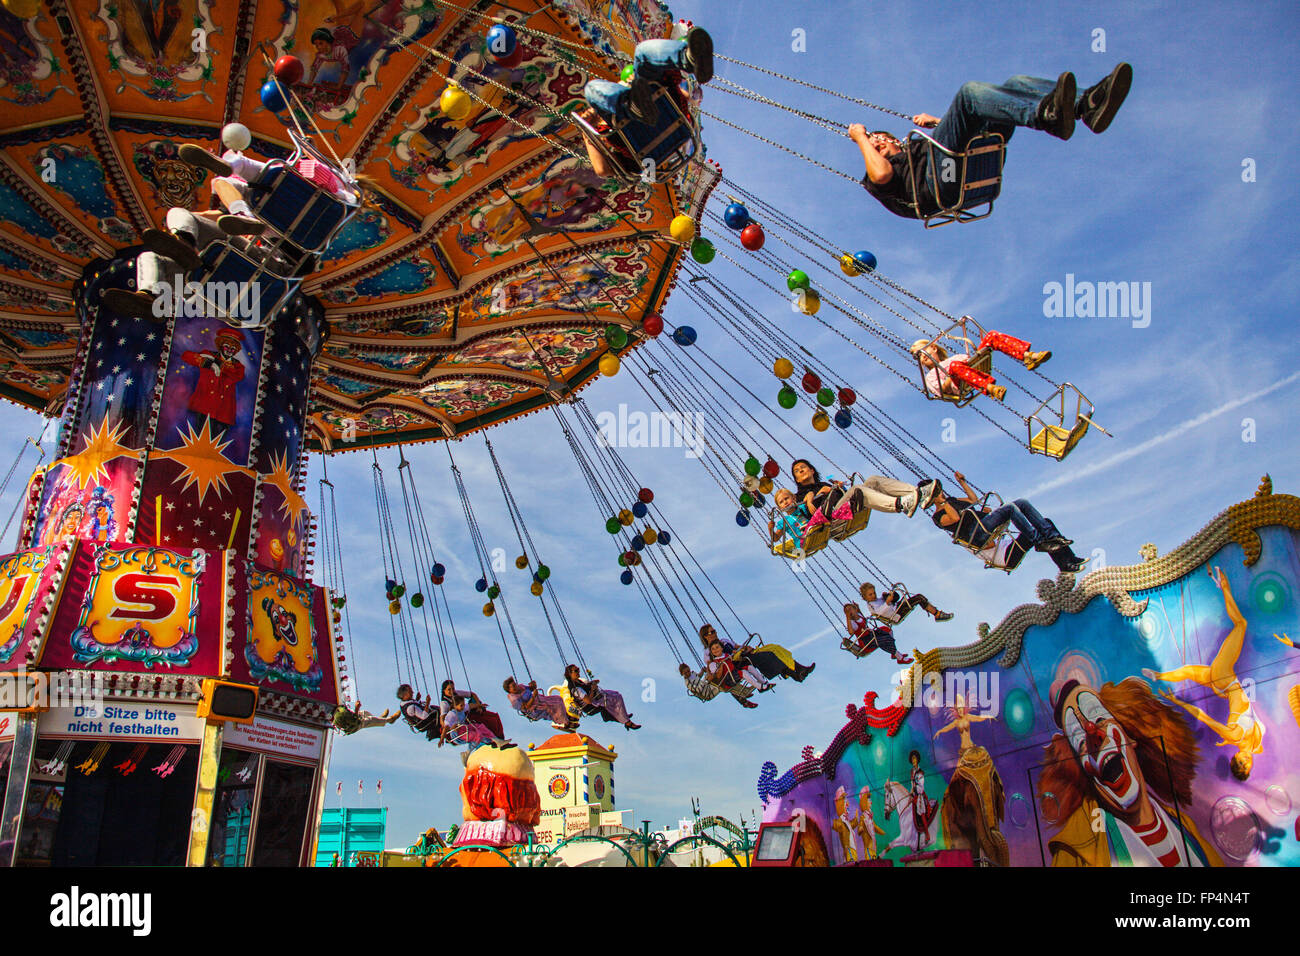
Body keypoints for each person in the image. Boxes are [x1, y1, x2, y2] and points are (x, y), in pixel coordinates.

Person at [849, 64, 1133, 220]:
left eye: (880, 140)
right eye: (873, 147)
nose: (877, 145)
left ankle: (1087, 104)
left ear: (895, 140)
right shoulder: (882, 176)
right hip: (943, 182)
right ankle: (1046, 115)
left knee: (1017, 82)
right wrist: (861, 137)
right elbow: (882, 172)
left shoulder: (920, 148)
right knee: (969, 93)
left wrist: (938, 123)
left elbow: (958, 131)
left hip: (964, 160)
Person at [1142, 566, 1264, 781]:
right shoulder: (1254, 745)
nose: (1246, 759)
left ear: (1235, 758)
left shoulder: (1234, 736)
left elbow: (1203, 717)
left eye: (1241, 762)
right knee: (1189, 672)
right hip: (1223, 685)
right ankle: (1158, 676)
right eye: (1247, 765)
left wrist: (1178, 703)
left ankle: (1223, 586)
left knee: (1241, 624)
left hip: (1224, 680)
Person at [577, 27, 712, 178]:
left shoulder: (610, 131)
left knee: (592, 89)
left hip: (644, 136)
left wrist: (587, 129)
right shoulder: (664, 88)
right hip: (673, 124)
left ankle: (631, 104)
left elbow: (603, 170)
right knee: (642, 52)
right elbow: (685, 96)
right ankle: (686, 58)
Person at [929, 471, 1086, 573]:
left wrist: (962, 482)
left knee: (1031, 510)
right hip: (984, 541)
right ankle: (1039, 542)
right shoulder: (938, 516)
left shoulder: (951, 501)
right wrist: (941, 502)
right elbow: (955, 518)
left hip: (991, 532)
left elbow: (973, 500)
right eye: (937, 492)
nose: (941, 493)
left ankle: (1067, 561)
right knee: (1010, 509)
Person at [910, 333, 1050, 404]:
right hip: (960, 385)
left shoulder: (955, 358)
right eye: (918, 356)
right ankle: (991, 389)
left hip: (974, 368)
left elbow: (969, 359)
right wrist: (950, 375)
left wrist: (964, 363)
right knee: (954, 367)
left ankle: (1028, 356)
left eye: (923, 351)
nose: (922, 356)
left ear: (933, 347)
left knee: (992, 336)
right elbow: (942, 391)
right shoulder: (930, 377)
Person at [791, 458, 940, 521]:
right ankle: (901, 504)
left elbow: (836, 494)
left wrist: (837, 488)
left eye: (803, 467)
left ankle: (917, 494)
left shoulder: (824, 483)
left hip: (841, 504)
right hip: (831, 515)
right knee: (858, 490)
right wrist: (817, 494)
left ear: (811, 470)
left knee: (873, 480)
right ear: (797, 479)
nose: (801, 470)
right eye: (797, 471)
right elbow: (805, 500)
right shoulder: (800, 494)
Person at [698, 623, 813, 682]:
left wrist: (745, 647)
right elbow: (711, 667)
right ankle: (796, 672)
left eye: (714, 630)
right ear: (706, 636)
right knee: (768, 656)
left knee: (774, 647)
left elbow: (738, 646)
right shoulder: (708, 651)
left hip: (743, 653)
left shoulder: (724, 640)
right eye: (711, 632)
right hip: (736, 661)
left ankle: (798, 670)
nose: (714, 632)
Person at [564, 664, 641, 730]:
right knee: (614, 699)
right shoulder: (576, 688)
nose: (578, 671)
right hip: (591, 705)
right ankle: (627, 722)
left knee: (616, 694)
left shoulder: (577, 681)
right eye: (576, 670)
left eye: (578, 669)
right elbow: (588, 701)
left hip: (595, 697)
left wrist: (591, 683)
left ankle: (622, 715)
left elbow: (585, 687)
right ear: (570, 674)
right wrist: (592, 689)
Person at [843, 602, 913, 665]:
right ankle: (900, 658)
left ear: (854, 609)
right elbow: (851, 632)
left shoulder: (859, 615)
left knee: (887, 630)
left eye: (850, 609)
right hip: (866, 641)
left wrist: (859, 609)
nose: (849, 611)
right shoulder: (852, 623)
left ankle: (894, 653)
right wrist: (847, 618)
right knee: (885, 639)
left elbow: (863, 620)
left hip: (871, 634)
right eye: (846, 611)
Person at [439, 680, 504, 740]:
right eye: (449, 690)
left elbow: (472, 695)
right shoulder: (444, 703)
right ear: (444, 691)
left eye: (453, 689)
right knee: (485, 722)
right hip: (459, 721)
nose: (452, 691)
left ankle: (499, 739)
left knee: (494, 717)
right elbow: (443, 718)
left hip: (465, 713)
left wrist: (479, 705)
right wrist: (449, 727)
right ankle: (493, 739)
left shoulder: (457, 693)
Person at [859, 582, 952, 624]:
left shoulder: (878, 600)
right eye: (870, 595)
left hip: (896, 608)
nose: (873, 595)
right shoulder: (870, 605)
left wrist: (887, 596)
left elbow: (892, 601)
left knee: (918, 597)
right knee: (918, 598)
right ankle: (937, 614)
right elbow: (879, 612)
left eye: (874, 593)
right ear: (865, 597)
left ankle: (936, 613)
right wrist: (887, 602)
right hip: (896, 614)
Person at [503, 677, 574, 730]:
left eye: (515, 684)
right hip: (533, 709)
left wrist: (533, 685)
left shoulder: (520, 687)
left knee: (558, 698)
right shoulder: (514, 700)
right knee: (555, 705)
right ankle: (565, 723)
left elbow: (531, 689)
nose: (516, 687)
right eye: (513, 687)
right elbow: (526, 707)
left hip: (538, 700)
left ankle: (565, 716)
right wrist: (533, 697)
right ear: (509, 691)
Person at [679, 661, 758, 709]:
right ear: (682, 674)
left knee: (724, 681)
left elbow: (698, 677)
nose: (688, 673)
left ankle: (743, 695)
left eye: (688, 671)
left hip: (708, 685)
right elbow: (698, 689)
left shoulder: (692, 673)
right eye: (685, 673)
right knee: (723, 684)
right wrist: (706, 679)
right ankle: (743, 694)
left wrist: (702, 671)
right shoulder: (688, 683)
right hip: (707, 692)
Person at [768, 487, 812, 555]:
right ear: (780, 508)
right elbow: (775, 538)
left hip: (814, 534)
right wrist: (770, 529)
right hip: (802, 543)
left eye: (786, 498)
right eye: (781, 502)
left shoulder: (803, 507)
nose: (785, 502)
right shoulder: (784, 521)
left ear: (794, 498)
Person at [331, 700, 398, 735]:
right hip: (354, 726)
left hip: (351, 721)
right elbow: (355, 720)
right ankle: (390, 719)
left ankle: (381, 719)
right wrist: (356, 708)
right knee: (370, 720)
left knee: (364, 713)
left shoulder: (340, 710)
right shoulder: (341, 714)